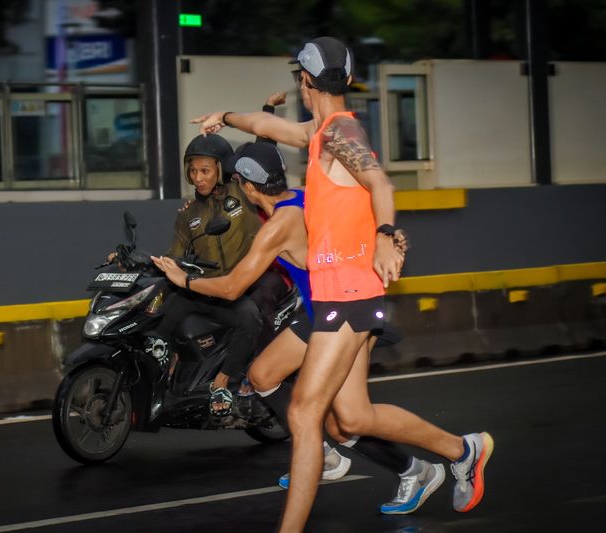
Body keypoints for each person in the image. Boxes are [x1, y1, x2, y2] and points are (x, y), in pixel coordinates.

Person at [191, 37, 493, 530]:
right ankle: (465, 451)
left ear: (305, 81)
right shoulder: (323, 130)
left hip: (348, 294)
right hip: (344, 293)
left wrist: (384, 234)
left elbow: (380, 183)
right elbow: (270, 125)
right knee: (351, 418)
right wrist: (225, 116)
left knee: (305, 414)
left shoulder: (339, 134)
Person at [153, 141, 444, 515]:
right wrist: (385, 237)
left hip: (339, 312)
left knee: (344, 421)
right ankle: (333, 455)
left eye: (236, 182)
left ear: (249, 187)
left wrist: (183, 281)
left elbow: (231, 288)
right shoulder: (301, 198)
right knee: (263, 376)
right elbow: (349, 217)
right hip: (321, 312)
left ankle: (419, 466)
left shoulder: (278, 226)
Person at [157, 133, 287, 416]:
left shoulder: (242, 192)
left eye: (205, 170)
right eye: (193, 171)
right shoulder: (188, 214)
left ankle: (224, 381)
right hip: (208, 287)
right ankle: (166, 373)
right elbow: (174, 255)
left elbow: (259, 157)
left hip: (240, 285)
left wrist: (267, 114)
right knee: (163, 314)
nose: (198, 177)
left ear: (221, 169)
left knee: (250, 317)